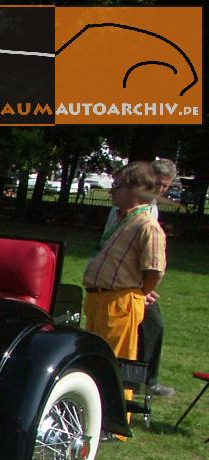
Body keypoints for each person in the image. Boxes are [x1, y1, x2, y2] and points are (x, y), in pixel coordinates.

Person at [83, 161, 165, 431]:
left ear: (134, 190)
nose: (112, 191)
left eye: (117, 187)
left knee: (115, 361)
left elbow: (154, 269)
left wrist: (140, 293)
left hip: (120, 301)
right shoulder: (121, 218)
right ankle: (95, 415)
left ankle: (113, 422)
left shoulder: (147, 225)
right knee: (95, 357)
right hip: (100, 299)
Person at [101, 159, 177, 396]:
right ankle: (132, 383)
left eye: (166, 186)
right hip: (123, 285)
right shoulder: (125, 209)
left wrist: (144, 290)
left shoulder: (148, 212)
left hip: (133, 287)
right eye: (160, 184)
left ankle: (144, 381)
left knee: (153, 326)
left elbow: (154, 264)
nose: (162, 189)